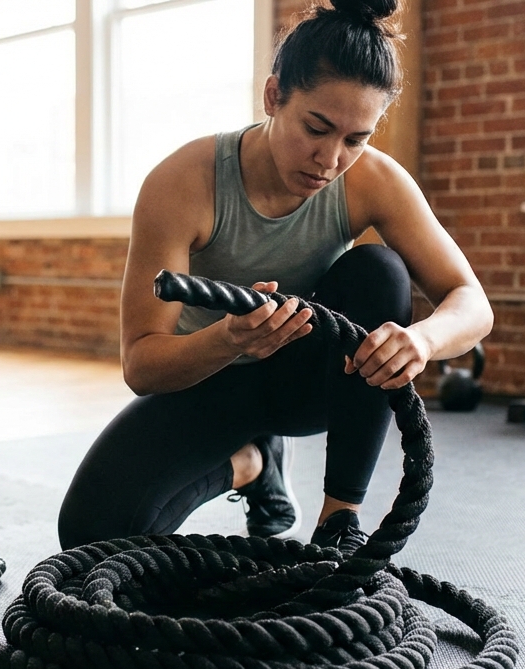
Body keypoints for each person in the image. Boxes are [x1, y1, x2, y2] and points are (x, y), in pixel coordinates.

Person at [57, 0, 492, 554]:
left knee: (379, 270)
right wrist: (229, 338)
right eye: (316, 127)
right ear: (272, 96)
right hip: (205, 377)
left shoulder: (375, 182)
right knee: (89, 539)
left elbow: (473, 303)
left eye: (356, 139)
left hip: (309, 383)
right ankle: (253, 465)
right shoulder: (183, 183)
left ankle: (339, 522)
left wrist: (422, 340)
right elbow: (141, 365)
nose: (330, 159)